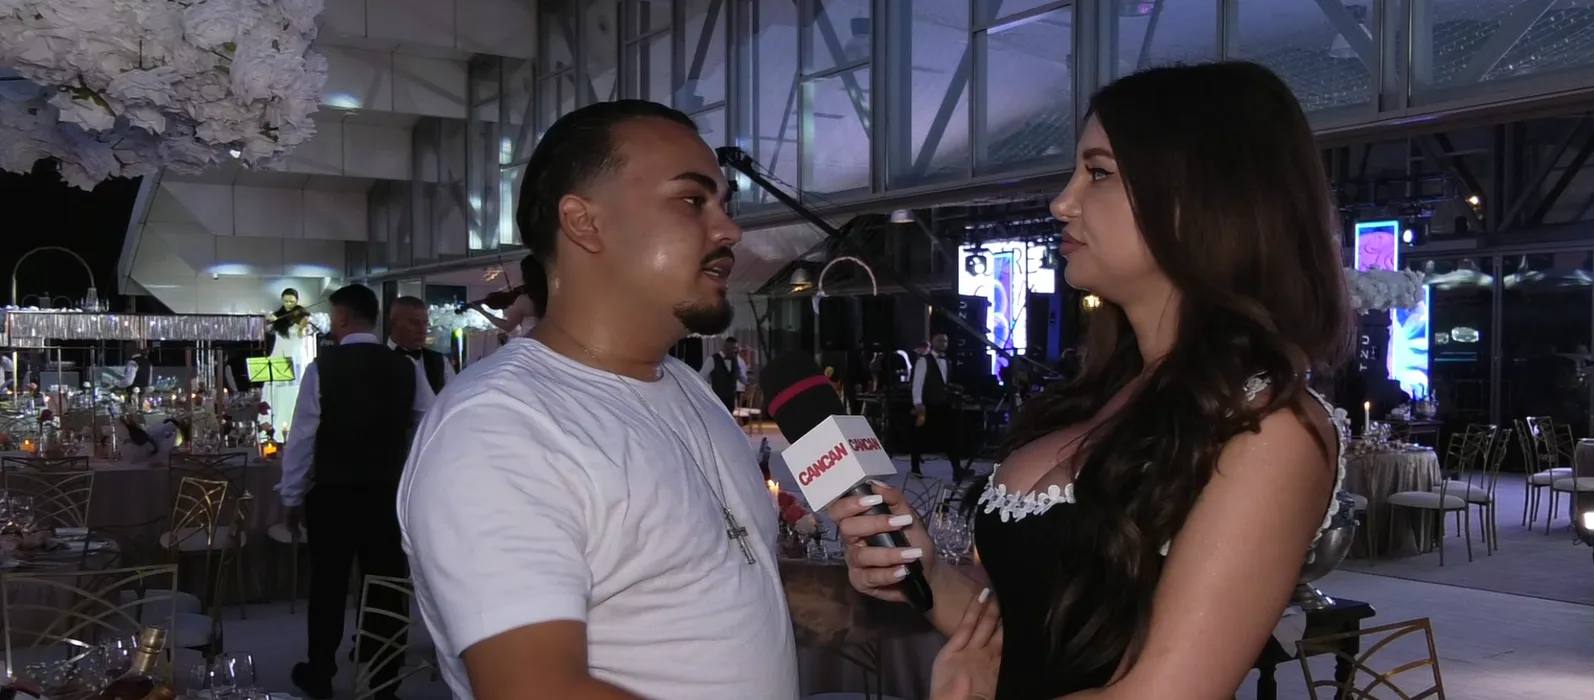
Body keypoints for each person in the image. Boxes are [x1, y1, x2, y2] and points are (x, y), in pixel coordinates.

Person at [827, 61, 1352, 700]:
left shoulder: (1267, 427)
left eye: (1098, 174)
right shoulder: (1105, 393)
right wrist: (927, 573)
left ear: (1198, 199)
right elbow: (1031, 633)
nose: (1062, 202)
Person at [398, 100, 797, 700]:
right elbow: (535, 690)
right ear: (584, 223)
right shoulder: (499, 426)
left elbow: (695, 595)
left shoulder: (687, 388)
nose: (729, 231)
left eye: (724, 204)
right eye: (693, 200)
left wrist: (838, 601)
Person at [277, 284, 435, 700]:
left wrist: (291, 497)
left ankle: (320, 672)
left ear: (342, 317)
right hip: (386, 493)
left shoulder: (322, 368)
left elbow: (303, 438)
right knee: (386, 585)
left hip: (332, 493)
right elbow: (430, 422)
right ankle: (384, 680)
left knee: (327, 585)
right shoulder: (406, 367)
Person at [911, 333, 966, 480]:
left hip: (943, 403)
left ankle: (957, 469)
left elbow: (943, 382)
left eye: (945, 341)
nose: (943, 343)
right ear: (933, 342)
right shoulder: (924, 360)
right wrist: (918, 402)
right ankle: (915, 468)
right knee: (919, 436)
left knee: (951, 436)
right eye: (940, 341)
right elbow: (918, 382)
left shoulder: (948, 361)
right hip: (928, 403)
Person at [265, 288, 318, 430]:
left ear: (297, 301)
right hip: (279, 353)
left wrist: (302, 327)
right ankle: (275, 426)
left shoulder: (303, 315)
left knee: (296, 390)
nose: (289, 304)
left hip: (296, 355)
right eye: (286, 301)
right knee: (277, 390)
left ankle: (295, 423)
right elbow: (268, 330)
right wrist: (269, 321)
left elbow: (302, 336)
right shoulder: (277, 316)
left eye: (292, 301)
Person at [388, 296, 457, 398]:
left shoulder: (441, 363)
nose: (422, 329)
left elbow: (453, 400)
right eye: (415, 323)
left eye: (425, 323)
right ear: (393, 323)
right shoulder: (376, 359)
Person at [469, 254, 549, 338]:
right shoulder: (552, 292)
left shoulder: (524, 300)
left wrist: (482, 311)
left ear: (527, 276)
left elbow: (508, 326)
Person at [698, 336, 746, 413]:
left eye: (736, 348)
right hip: (717, 400)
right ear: (725, 347)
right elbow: (701, 377)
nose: (736, 351)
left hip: (731, 401)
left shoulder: (737, 360)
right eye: (733, 348)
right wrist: (708, 392)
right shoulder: (712, 360)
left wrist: (748, 381)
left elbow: (741, 377)